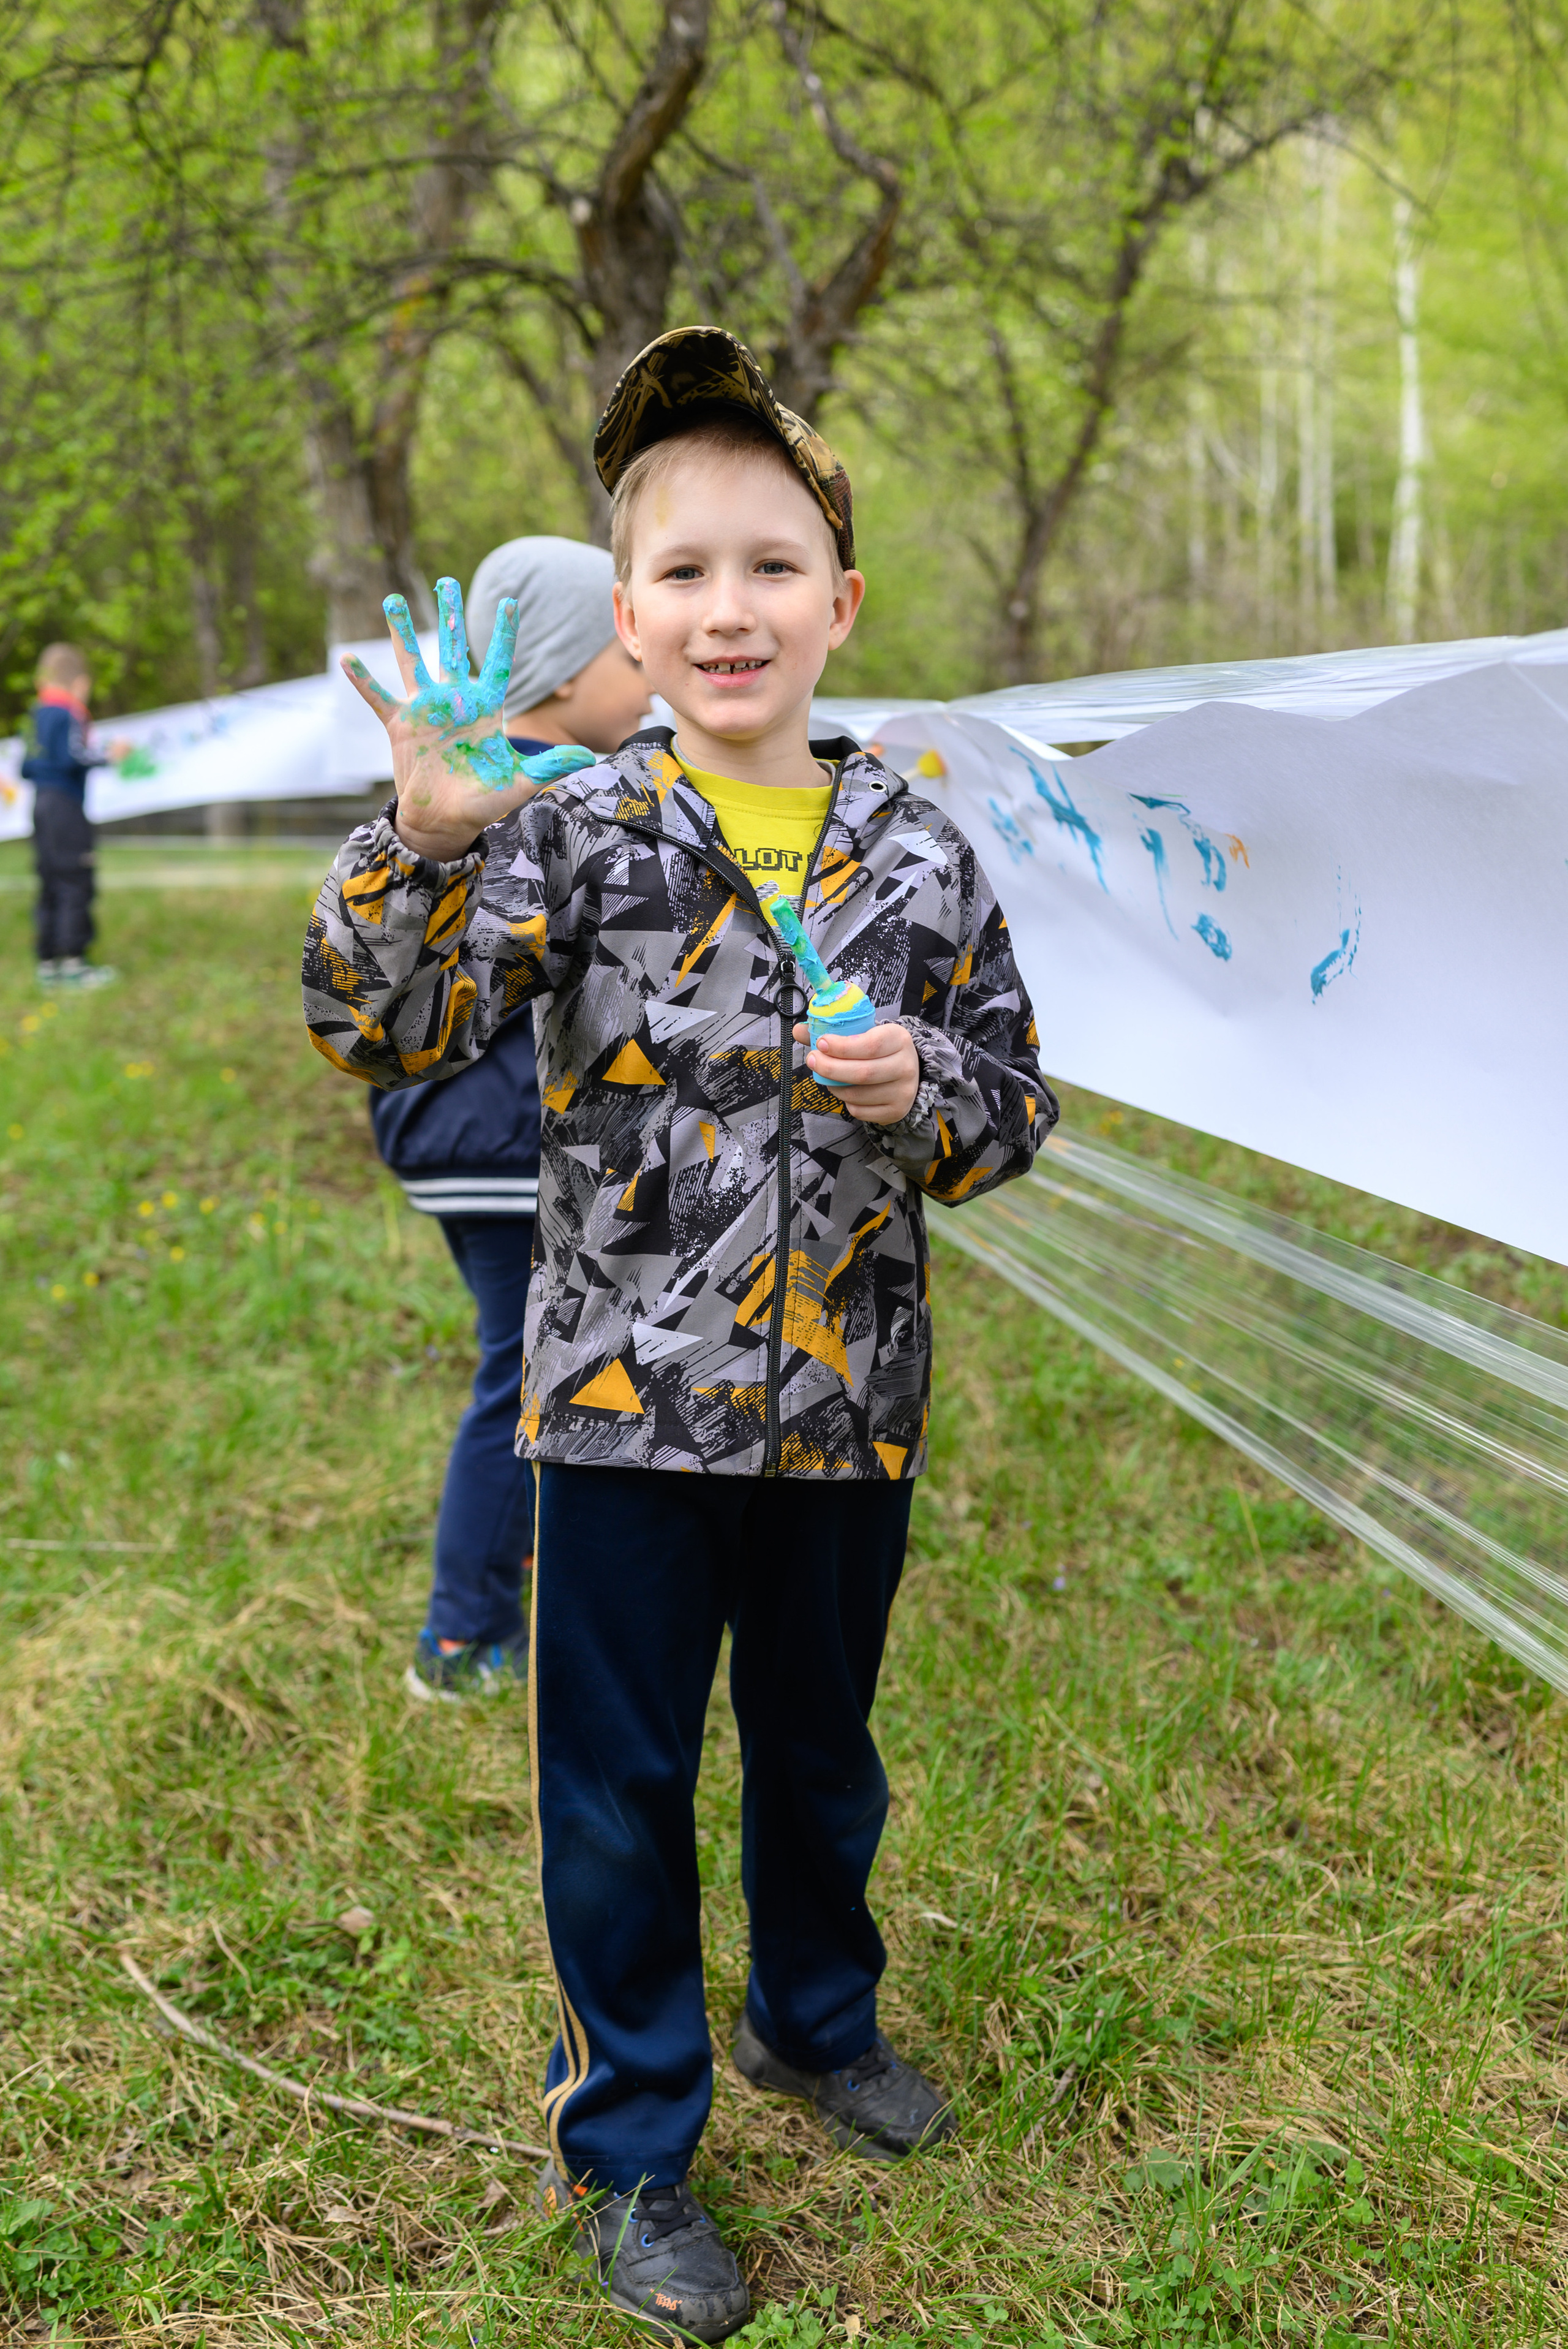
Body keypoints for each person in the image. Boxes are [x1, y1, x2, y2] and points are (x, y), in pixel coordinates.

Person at [305, 325, 1054, 2345]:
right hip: (621, 1414)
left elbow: (1017, 1105)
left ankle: (820, 2017)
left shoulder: (919, 846)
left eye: (775, 564)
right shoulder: (569, 830)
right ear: (630, 618)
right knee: (617, 1784)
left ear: (841, 602)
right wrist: (427, 842)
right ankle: (637, 2138)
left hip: (845, 1406)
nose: (734, 608)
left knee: (821, 1755)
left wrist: (937, 1097)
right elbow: (382, 1025)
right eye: (689, 575)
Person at [371, 539, 650, 1702]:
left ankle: (508, 1587)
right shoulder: (553, 787)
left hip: (449, 1129)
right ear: (568, 665)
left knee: (526, 1363)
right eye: (625, 643)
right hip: (501, 1131)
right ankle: (464, 1635)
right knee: (524, 1376)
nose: (649, 663)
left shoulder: (470, 768)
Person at [21, 643, 126, 988]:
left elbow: (26, 766)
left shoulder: (35, 714)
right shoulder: (68, 713)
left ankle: (48, 962)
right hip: (65, 806)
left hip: (41, 805)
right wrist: (110, 756)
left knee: (50, 880)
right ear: (79, 682)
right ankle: (74, 963)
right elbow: (74, 757)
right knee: (75, 880)